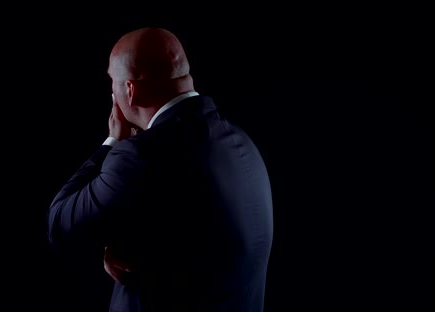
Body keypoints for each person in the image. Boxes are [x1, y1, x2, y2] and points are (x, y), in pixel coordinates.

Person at [47, 27, 274, 312]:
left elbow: (60, 225)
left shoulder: (139, 155)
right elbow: (190, 234)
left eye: (112, 83)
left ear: (129, 91)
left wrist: (112, 141)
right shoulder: (242, 143)